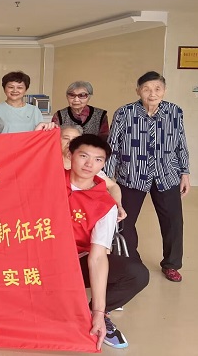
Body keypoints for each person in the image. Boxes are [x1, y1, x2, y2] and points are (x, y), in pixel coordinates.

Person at [105, 71, 190, 282]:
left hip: (166, 174)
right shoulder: (124, 113)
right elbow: (112, 146)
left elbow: (181, 144)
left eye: (157, 89)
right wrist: (107, 179)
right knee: (124, 221)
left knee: (173, 222)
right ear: (138, 91)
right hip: (131, 175)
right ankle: (131, 262)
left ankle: (171, 264)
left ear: (164, 90)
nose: (152, 94)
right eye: (146, 89)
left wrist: (185, 173)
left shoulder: (175, 111)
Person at [66, 134, 149, 350]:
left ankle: (93, 316)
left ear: (103, 164)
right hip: (37, 259)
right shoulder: (50, 179)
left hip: (75, 263)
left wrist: (98, 311)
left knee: (137, 274)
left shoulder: (105, 205)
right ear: (70, 155)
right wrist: (40, 132)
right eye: (83, 156)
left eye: (97, 159)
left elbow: (97, 257)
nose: (89, 164)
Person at [60, 124, 126, 220]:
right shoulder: (49, 164)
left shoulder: (88, 169)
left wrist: (118, 205)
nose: (70, 142)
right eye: (66, 138)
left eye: (75, 139)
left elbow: (113, 186)